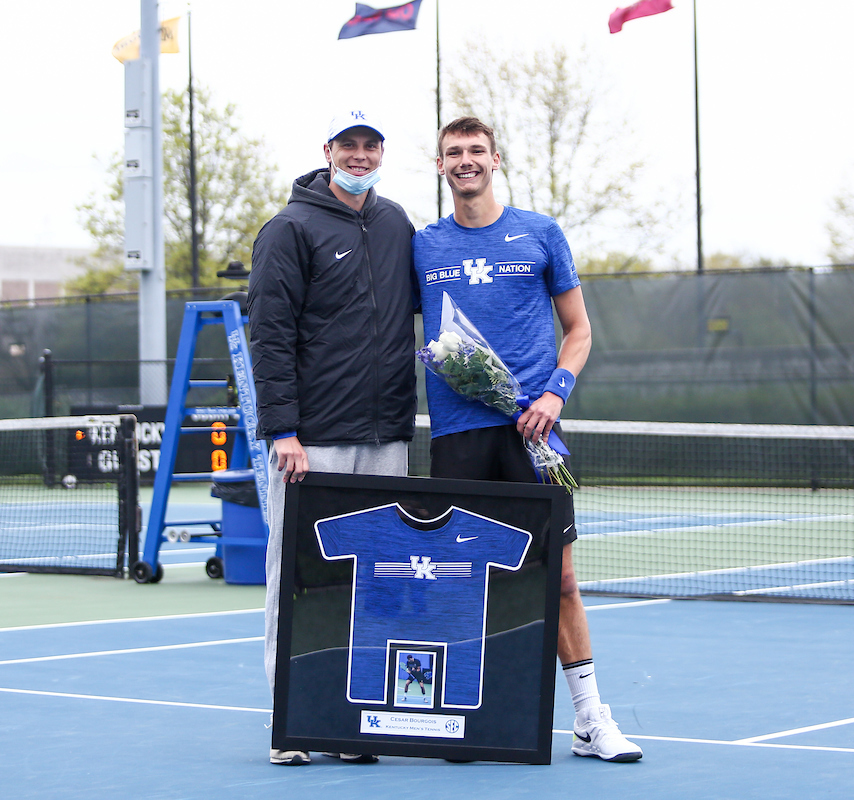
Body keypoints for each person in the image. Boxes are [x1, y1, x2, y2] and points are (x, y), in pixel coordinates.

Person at [412, 116, 643, 763]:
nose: (466, 161)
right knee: (462, 579)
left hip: (544, 439)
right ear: (440, 166)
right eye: (454, 153)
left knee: (564, 579)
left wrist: (553, 394)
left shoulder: (541, 233)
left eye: (476, 151)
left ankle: (592, 721)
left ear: (496, 158)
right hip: (456, 440)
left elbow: (580, 330)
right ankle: (460, 717)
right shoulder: (423, 245)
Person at [248, 108, 417, 767]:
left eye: (370, 143)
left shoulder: (396, 221)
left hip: (386, 437)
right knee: (297, 577)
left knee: (373, 580)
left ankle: (351, 719)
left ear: (381, 151)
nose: (359, 154)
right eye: (348, 144)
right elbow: (270, 335)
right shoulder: (290, 227)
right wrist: (284, 431)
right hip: (312, 442)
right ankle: (291, 717)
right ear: (327, 150)